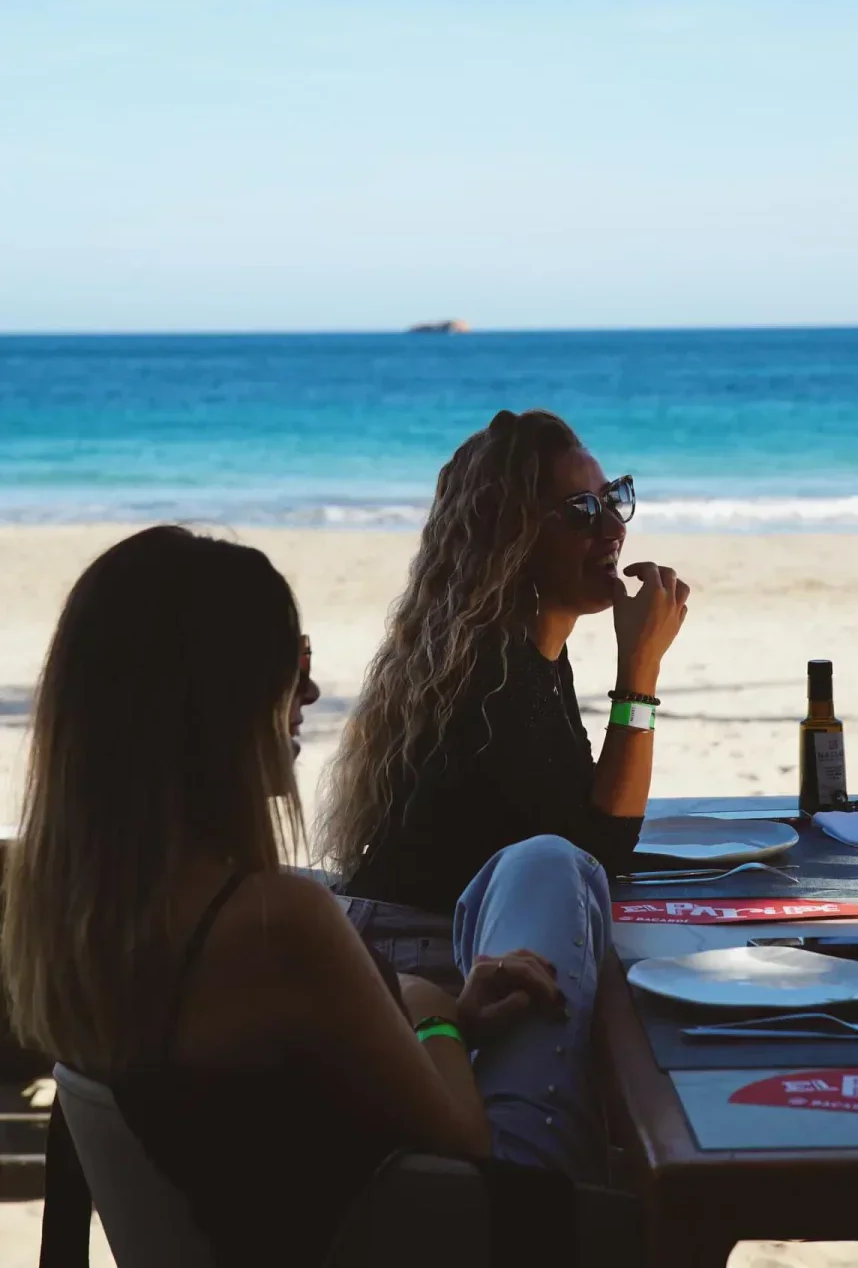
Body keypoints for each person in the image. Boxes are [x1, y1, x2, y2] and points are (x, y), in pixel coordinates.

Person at [1, 526, 612, 1268]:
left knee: (532, 877)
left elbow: (304, 1095)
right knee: (553, 868)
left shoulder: (79, 913)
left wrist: (450, 1015)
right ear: (217, 704)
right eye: (294, 667)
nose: (313, 695)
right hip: (479, 1220)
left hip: (321, 1213)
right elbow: (467, 1144)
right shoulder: (272, 923)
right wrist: (431, 1014)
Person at [317, 409, 689, 971]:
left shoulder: (525, 652)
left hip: (444, 950)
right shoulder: (492, 680)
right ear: (512, 542)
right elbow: (599, 851)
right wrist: (639, 671)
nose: (612, 527)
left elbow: (583, 820)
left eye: (612, 498)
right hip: (417, 969)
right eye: (581, 511)